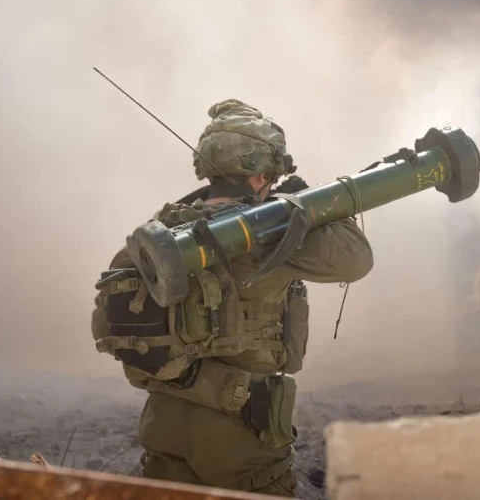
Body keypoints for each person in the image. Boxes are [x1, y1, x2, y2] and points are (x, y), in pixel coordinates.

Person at [91, 99, 373, 497]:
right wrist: (308, 203)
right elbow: (356, 259)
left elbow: (107, 320)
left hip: (164, 425)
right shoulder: (268, 232)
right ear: (261, 174)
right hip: (239, 436)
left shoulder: (163, 234)